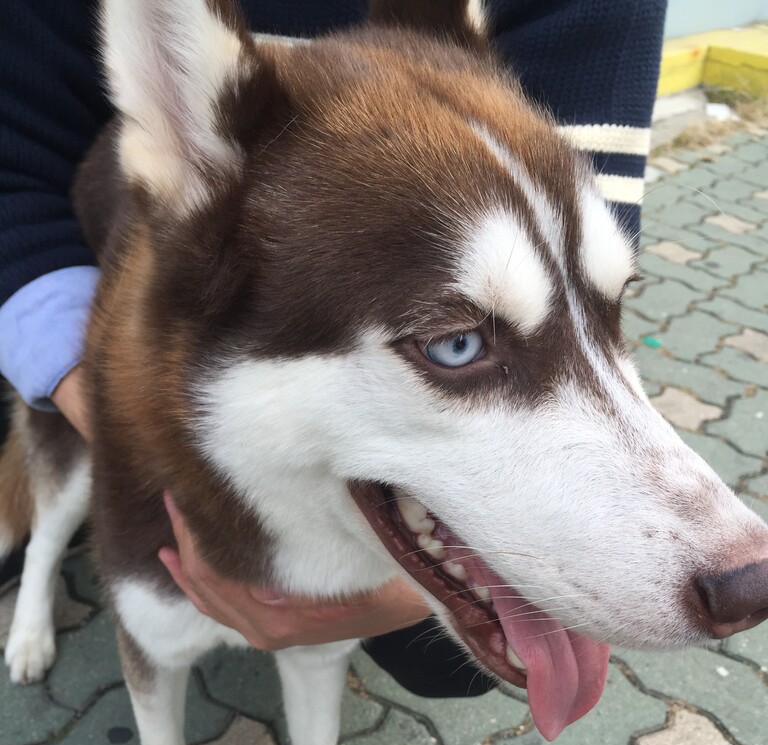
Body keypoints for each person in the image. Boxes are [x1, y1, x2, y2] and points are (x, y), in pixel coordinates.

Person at [0, 0, 667, 697]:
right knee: (69, 487)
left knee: (436, 666)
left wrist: (407, 584)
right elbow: (13, 174)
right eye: (455, 343)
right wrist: (114, 423)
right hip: (167, 297)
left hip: (318, 309)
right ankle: (39, 575)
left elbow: (563, 268)